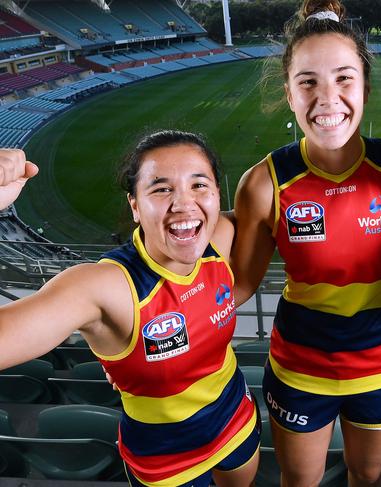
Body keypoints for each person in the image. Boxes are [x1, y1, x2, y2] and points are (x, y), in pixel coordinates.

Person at [229, 1, 381, 485]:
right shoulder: (264, 183)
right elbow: (237, 288)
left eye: (344, 79)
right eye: (308, 82)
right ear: (288, 93)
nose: (327, 99)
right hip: (298, 367)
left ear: (364, 85)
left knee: (367, 477)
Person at [0, 131, 260, 487]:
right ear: (135, 206)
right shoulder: (102, 286)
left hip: (237, 419)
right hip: (165, 458)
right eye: (161, 188)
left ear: (217, 195)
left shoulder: (222, 236)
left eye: (199, 185)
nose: (184, 203)